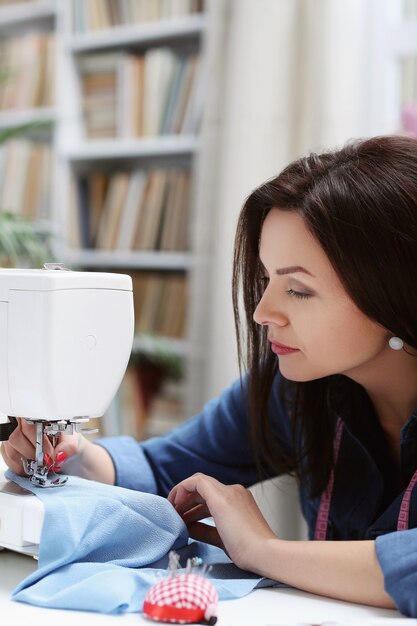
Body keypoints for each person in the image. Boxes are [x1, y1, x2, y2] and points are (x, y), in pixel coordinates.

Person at [2, 134, 417, 616]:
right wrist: (74, 455)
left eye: (298, 290)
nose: (262, 312)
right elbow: (168, 469)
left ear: (396, 289)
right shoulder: (295, 392)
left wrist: (263, 550)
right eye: (266, 281)